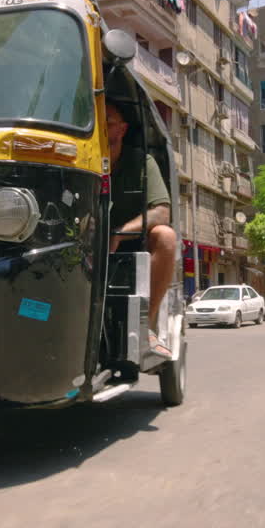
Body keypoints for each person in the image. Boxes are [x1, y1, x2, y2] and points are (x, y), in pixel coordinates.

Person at [106, 102, 176, 358]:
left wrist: (119, 232)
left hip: (132, 245)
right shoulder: (75, 158)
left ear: (122, 129)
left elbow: (161, 212)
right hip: (84, 243)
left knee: (166, 236)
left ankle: (146, 326)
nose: (99, 128)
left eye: (107, 123)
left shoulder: (141, 162)